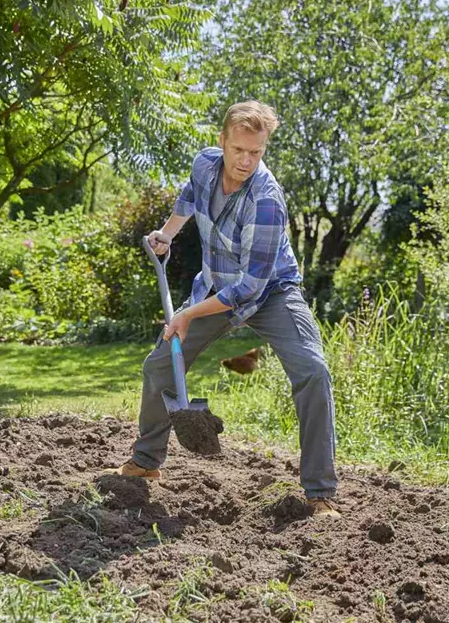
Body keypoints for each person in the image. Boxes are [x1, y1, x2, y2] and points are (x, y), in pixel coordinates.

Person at [107, 100, 340, 518]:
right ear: (222, 142)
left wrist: (188, 314)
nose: (247, 161)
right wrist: (168, 232)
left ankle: (319, 492)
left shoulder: (267, 200)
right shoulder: (205, 165)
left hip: (271, 293)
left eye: (257, 152)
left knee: (312, 371)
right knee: (159, 366)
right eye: (239, 150)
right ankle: (145, 462)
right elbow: (190, 196)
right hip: (216, 285)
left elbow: (251, 286)